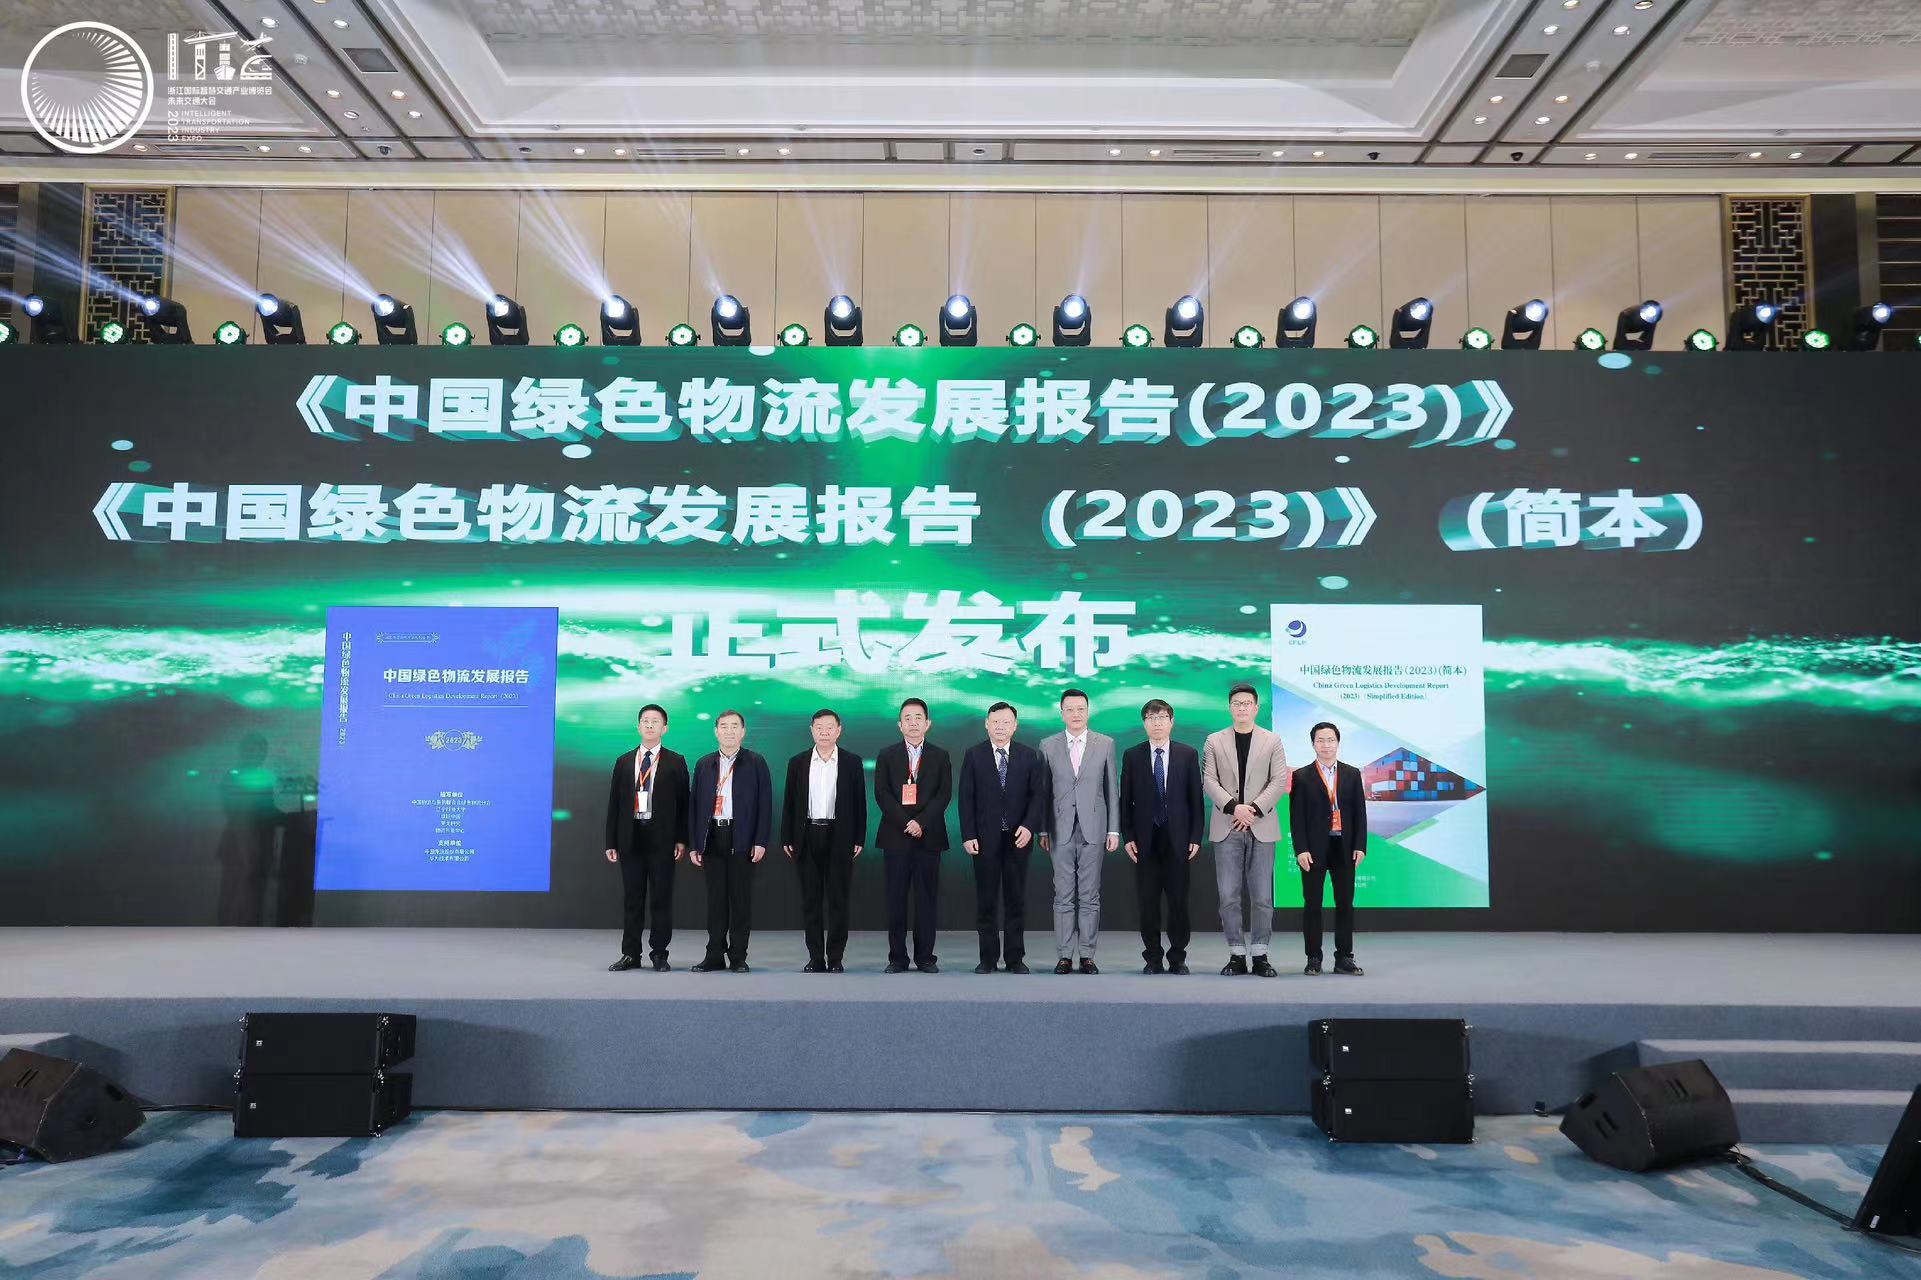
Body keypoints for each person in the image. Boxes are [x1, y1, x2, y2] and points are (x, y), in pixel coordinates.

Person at [1202, 682, 1291, 976]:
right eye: (1236, 703)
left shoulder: (1272, 741)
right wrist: (1234, 807)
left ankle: (1261, 954)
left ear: (1256, 708)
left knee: (1262, 897)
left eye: (1247, 703)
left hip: (1261, 824)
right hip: (1227, 825)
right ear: (1230, 708)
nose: (1242, 708)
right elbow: (1209, 780)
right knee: (1228, 895)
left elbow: (1279, 780)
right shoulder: (1214, 741)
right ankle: (1237, 954)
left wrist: (1252, 809)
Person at [958, 702, 1046, 974]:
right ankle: (987, 958)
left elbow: (1038, 796)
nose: (1000, 727)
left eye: (1006, 722)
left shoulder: (1029, 755)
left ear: (1015, 726)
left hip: (1018, 839)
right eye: (995, 722)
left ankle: (1015, 958)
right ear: (987, 724)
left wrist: (1029, 827)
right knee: (986, 900)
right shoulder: (974, 755)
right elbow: (966, 798)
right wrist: (968, 834)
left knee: (1015, 900)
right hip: (984, 840)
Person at [1037, 688, 1119, 974]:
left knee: (1090, 894)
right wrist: (1042, 830)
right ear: (1062, 713)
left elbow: (1112, 789)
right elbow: (1043, 792)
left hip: (1094, 827)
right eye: (1069, 709)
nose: (1075, 714)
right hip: (1058, 828)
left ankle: (1087, 955)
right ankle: (1063, 955)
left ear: (1088, 711)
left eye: (1080, 709)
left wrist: (1114, 830)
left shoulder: (1105, 743)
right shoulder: (1047, 745)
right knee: (1062, 894)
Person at [1118, 699, 1202, 974]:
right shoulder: (1132, 755)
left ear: (1171, 721)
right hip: (1145, 841)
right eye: (1151, 718)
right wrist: (1128, 835)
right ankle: (1152, 958)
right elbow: (1125, 800)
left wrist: (1195, 836)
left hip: (1178, 839)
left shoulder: (1187, 754)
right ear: (1144, 723)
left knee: (1178, 902)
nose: (1157, 723)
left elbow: (1195, 799)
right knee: (1148, 903)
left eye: (1162, 717)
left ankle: (1178, 958)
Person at [604, 703, 689, 971]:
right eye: (645, 721)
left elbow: (684, 804)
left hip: (662, 839)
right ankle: (631, 953)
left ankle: (659, 953)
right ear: (638, 726)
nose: (650, 725)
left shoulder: (676, 761)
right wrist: (611, 841)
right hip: (630, 838)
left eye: (655, 721)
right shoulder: (624, 761)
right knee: (632, 899)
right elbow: (614, 804)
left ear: (665, 728)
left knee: (661, 899)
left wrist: (681, 839)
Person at [687, 710, 773, 973]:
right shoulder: (704, 763)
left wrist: (760, 840)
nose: (729, 731)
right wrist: (695, 843)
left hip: (742, 838)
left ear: (743, 731)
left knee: (740, 900)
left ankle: (738, 956)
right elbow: (693, 806)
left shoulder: (756, 762)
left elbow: (765, 804)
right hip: (712, 836)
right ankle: (714, 955)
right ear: (716, 731)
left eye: (735, 726)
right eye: (724, 726)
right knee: (716, 901)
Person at [780, 709, 866, 973]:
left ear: (839, 730)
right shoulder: (798, 762)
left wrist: (859, 837)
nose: (824, 732)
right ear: (812, 730)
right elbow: (789, 802)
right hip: (807, 834)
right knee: (811, 900)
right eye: (819, 727)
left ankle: (836, 958)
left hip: (840, 835)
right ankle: (816, 957)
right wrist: (787, 836)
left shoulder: (851, 762)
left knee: (838, 899)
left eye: (830, 727)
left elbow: (859, 803)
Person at [873, 697, 952, 973]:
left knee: (926, 900)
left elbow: (944, 794)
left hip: (929, 837)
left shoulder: (941, 756)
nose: (913, 723)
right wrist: (906, 822)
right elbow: (882, 794)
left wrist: (921, 822)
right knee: (895, 900)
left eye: (918, 718)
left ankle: (925, 957)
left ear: (928, 723)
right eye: (907, 718)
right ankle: (897, 958)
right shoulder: (887, 755)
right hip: (896, 836)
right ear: (899, 725)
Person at [1290, 720, 1367, 976]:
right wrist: (1300, 849)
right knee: (1312, 903)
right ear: (1313, 744)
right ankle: (1313, 957)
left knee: (1345, 903)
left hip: (1344, 847)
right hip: (1313, 849)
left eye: (1330, 740)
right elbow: (1297, 817)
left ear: (1338, 742)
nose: (1326, 745)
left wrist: (1360, 845)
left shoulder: (1352, 774)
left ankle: (1344, 957)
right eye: (1320, 740)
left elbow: (1359, 813)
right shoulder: (1301, 776)